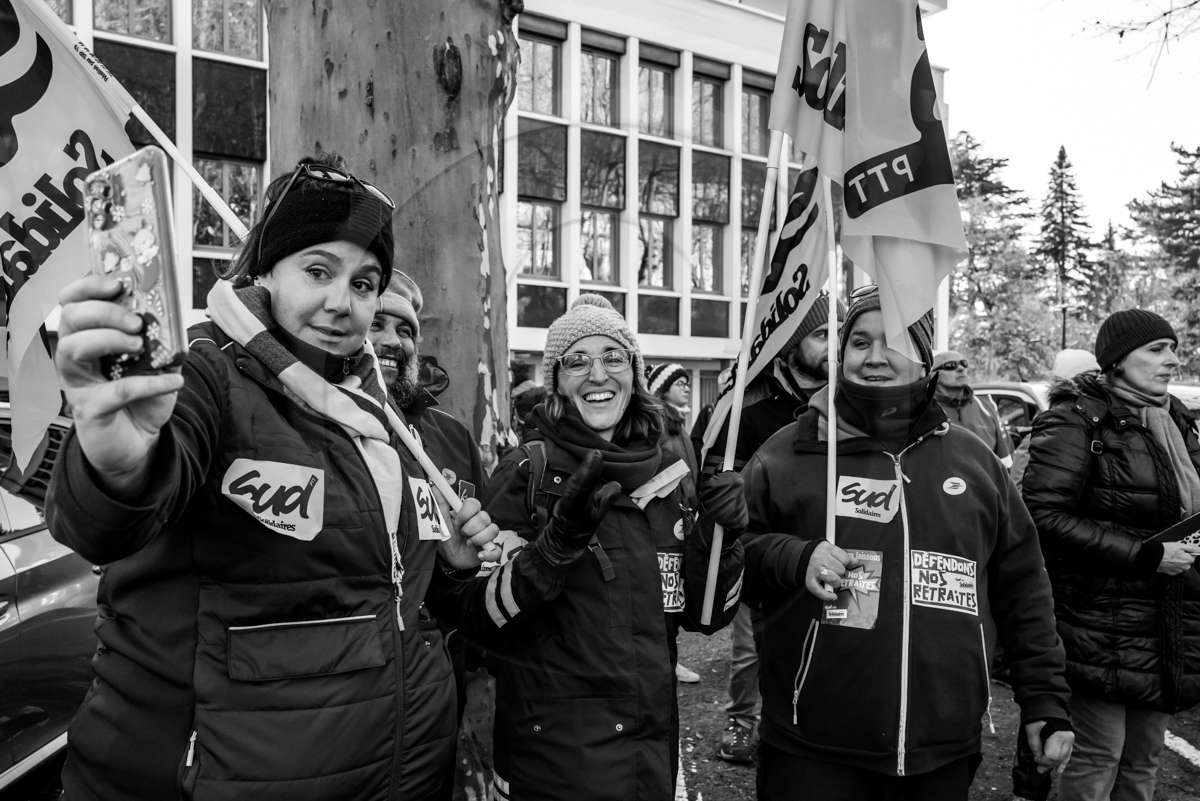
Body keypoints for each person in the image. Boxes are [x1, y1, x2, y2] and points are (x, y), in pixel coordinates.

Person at [46, 155, 499, 801]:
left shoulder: (385, 411)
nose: (342, 303)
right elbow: (103, 524)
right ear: (268, 267)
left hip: (397, 771)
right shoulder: (205, 371)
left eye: (365, 282)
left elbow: (384, 588)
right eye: (318, 270)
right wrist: (117, 466)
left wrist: (447, 560)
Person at [739, 286, 1073, 800]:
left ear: (923, 356)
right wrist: (795, 557)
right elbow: (735, 560)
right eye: (859, 342)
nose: (875, 357)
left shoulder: (973, 461)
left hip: (941, 748)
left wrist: (1045, 700)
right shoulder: (786, 454)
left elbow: (1023, 587)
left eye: (893, 341)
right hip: (813, 749)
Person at [452, 294, 747, 800]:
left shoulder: (667, 477)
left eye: (613, 358)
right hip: (555, 767)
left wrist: (723, 537)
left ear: (634, 373)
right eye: (577, 361)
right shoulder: (527, 472)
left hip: (651, 758)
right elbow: (480, 626)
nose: (598, 374)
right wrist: (551, 553)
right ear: (557, 382)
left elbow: (704, 615)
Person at [1023, 309, 1200, 801]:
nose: (1171, 361)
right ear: (1119, 360)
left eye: (1173, 349)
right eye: (1156, 350)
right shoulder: (1076, 419)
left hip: (1166, 618)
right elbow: (1042, 515)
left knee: (1144, 760)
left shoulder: (1177, 421)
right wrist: (1144, 556)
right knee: (1099, 755)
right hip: (1098, 619)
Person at [702, 293, 844, 765]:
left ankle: (818, 722)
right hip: (765, 551)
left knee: (835, 641)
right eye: (823, 335)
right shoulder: (751, 406)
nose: (834, 346)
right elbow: (723, 476)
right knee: (750, 649)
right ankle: (742, 722)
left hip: (836, 552)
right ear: (792, 344)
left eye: (837, 335)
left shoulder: (848, 406)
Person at [368, 270, 491, 801]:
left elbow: (459, 576)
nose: (394, 341)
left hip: (435, 686)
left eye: (407, 329)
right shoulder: (313, 420)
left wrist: (457, 566)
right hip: (345, 691)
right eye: (377, 323)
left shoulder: (449, 435)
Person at [647, 362, 703, 684]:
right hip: (668, 519)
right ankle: (667, 659)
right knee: (666, 593)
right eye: (678, 382)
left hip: (684, 516)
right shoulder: (659, 423)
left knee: (676, 589)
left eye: (686, 381)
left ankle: (672, 656)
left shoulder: (679, 423)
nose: (685, 386)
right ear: (662, 388)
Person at [931, 349, 1015, 468]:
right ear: (934, 375)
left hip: (985, 485)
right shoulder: (924, 409)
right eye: (950, 366)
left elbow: (1005, 460)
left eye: (963, 363)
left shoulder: (987, 406)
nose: (960, 368)